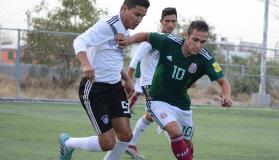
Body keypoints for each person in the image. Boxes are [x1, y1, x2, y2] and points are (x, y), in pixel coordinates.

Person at [117, 20, 232, 160]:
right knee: (174, 131)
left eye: (203, 42)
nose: (198, 45)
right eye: (195, 40)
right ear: (186, 35)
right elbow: (146, 36)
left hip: (181, 104)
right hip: (157, 99)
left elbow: (223, 82)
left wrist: (226, 96)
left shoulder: (205, 58)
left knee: (187, 143)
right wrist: (129, 40)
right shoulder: (169, 41)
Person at [58, 0, 150, 160]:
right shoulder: (109, 25)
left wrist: (126, 78)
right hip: (94, 88)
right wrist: (86, 64)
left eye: (142, 16)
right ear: (124, 8)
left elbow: (110, 58)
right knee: (108, 142)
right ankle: (68, 143)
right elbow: (79, 41)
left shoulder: (125, 32)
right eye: (137, 14)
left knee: (126, 135)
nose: (139, 19)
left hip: (115, 88)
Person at [125, 7, 178, 159]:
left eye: (173, 21)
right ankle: (181, 152)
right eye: (167, 21)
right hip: (149, 84)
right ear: (161, 21)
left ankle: (131, 143)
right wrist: (127, 80)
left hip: (162, 86)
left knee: (151, 116)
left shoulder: (173, 42)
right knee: (166, 117)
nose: (170, 24)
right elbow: (134, 60)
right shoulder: (152, 39)